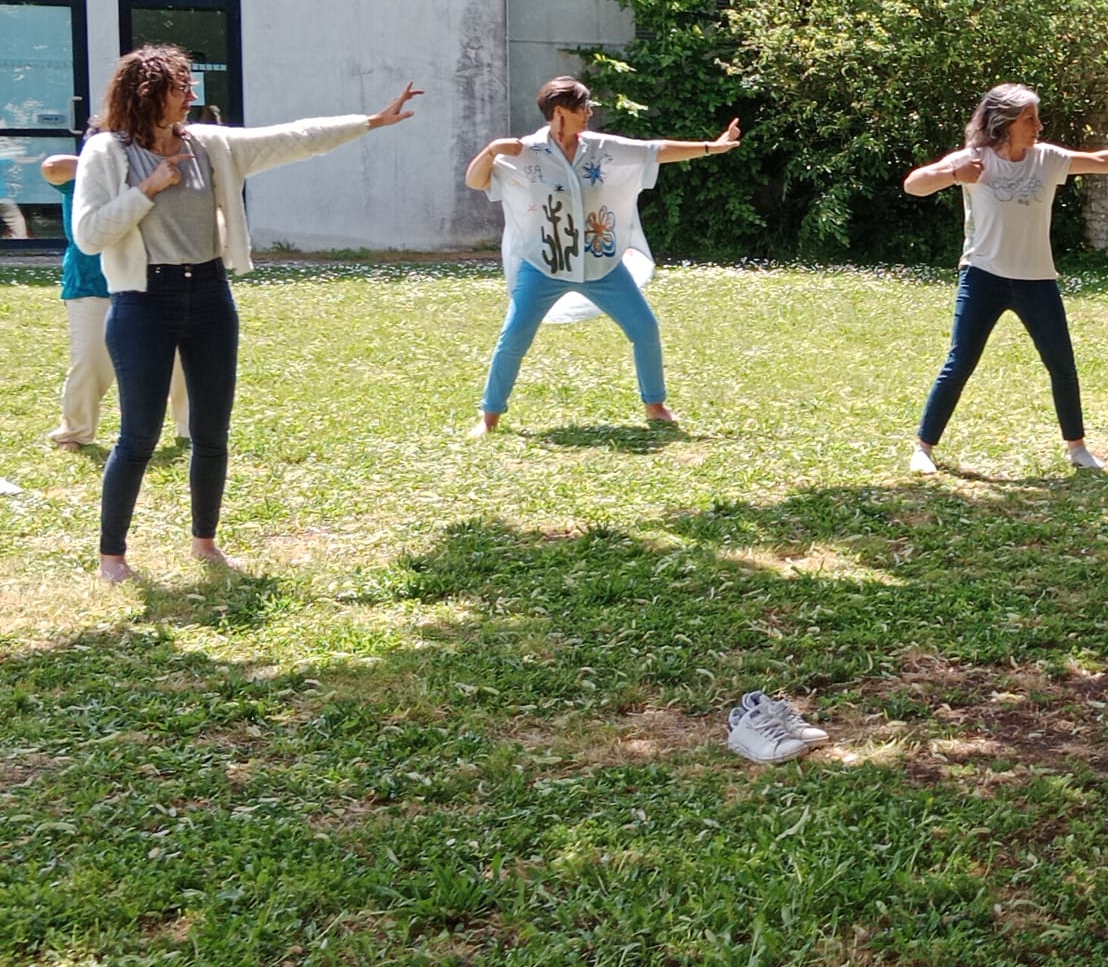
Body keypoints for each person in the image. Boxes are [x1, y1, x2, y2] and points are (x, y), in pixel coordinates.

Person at [72, 45, 421, 583]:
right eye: (181, 87)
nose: (192, 96)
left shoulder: (209, 144)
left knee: (211, 432)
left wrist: (371, 121)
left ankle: (204, 543)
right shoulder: (107, 152)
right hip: (144, 301)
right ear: (148, 93)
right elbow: (91, 235)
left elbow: (295, 138)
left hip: (210, 295)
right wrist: (147, 189)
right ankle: (112, 558)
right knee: (138, 435)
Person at [903, 83, 1108, 474]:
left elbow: (1102, 160)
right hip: (982, 276)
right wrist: (955, 174)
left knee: (1062, 365)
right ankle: (923, 447)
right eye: (1029, 119)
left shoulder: (1047, 160)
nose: (1038, 125)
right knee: (959, 364)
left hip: (1036, 280)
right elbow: (914, 184)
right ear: (1003, 122)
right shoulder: (974, 159)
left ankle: (1077, 448)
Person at [465, 76, 740, 435]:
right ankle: (489, 418)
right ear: (560, 111)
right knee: (513, 337)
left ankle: (655, 406)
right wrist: (491, 150)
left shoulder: (600, 147)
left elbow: (653, 150)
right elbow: (475, 181)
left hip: (601, 262)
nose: (590, 112)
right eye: (584, 107)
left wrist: (712, 147)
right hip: (543, 264)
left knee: (644, 329)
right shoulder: (522, 151)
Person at [41, 149, 189, 449]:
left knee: (180, 359)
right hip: (91, 285)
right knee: (90, 361)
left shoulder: (158, 176)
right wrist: (109, 168)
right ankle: (75, 432)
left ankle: (190, 429)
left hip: (150, 281)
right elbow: (52, 167)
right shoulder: (83, 178)